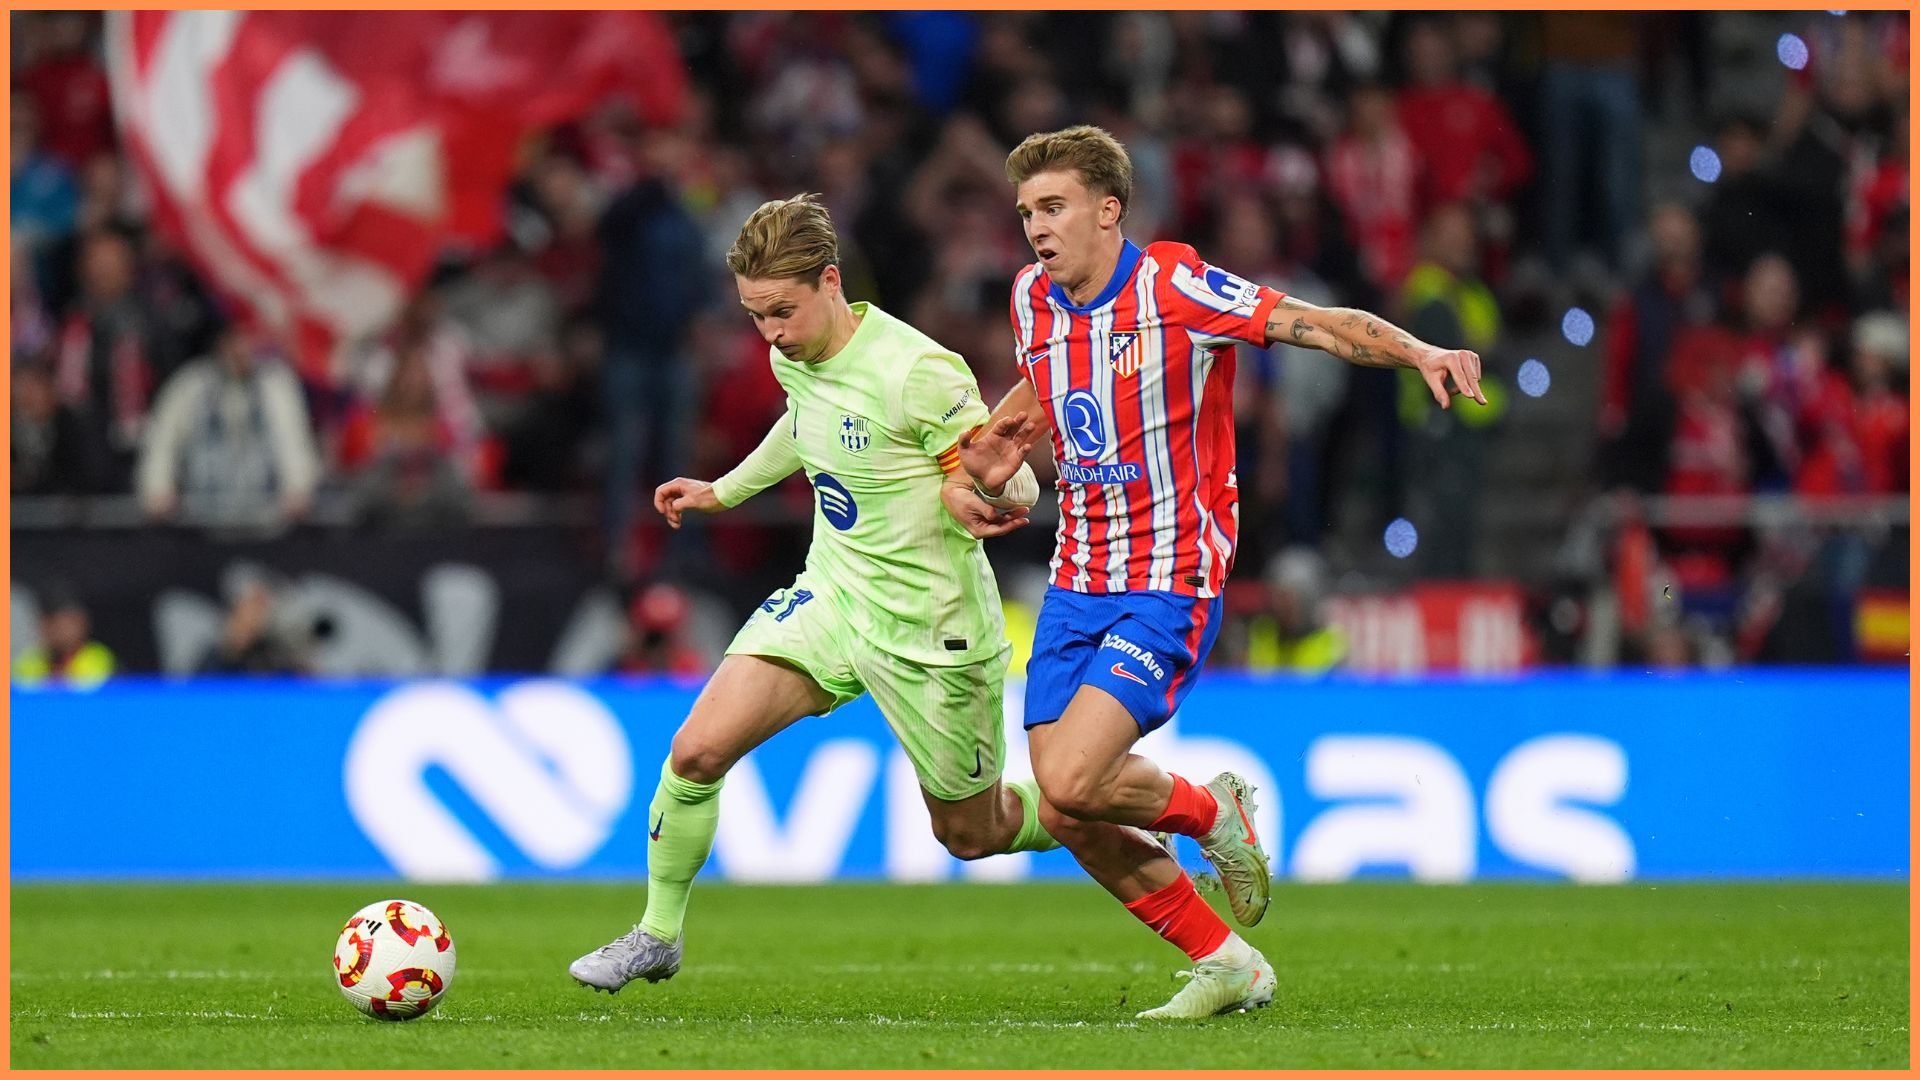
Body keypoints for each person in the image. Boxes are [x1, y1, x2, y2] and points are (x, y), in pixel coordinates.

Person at [960, 125, 1484, 1019]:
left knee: (1076, 781)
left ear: (1107, 210)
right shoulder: (1029, 299)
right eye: (1025, 213)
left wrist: (1421, 353)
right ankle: (1226, 960)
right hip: (1078, 574)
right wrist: (992, 451)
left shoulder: (1173, 285)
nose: (1036, 229)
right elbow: (1049, 389)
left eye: (1053, 208)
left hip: (1171, 572)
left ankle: (1211, 813)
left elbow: (1318, 325)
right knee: (1070, 802)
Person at [568, 194, 1058, 993]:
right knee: (695, 752)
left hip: (930, 628)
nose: (769, 333)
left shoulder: (917, 371)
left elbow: (1015, 483)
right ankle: (658, 932)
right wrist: (722, 492)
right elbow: (804, 424)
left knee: (975, 833)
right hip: (832, 597)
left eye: (782, 312)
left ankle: (1089, 801)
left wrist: (993, 498)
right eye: (755, 316)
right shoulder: (792, 351)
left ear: (831, 282)